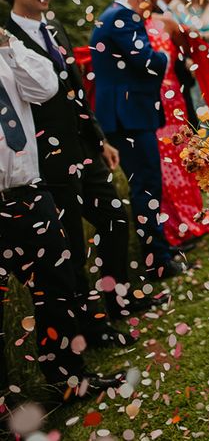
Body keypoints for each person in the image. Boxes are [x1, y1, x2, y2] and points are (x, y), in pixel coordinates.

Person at [1, 0, 164, 334]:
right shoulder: (9, 37)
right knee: (72, 243)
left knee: (113, 218)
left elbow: (74, 89)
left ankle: (121, 297)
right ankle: (92, 327)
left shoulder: (54, 26)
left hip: (83, 147)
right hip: (48, 158)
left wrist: (99, 139)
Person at [0, 24, 125, 399]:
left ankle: (69, 379)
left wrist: (8, 44)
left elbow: (46, 85)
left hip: (29, 194)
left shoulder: (7, 57)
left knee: (58, 289)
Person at [90, 0, 184, 280]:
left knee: (145, 184)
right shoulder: (122, 17)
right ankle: (158, 260)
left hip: (127, 114)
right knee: (146, 185)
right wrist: (165, 57)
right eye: (150, 2)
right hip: (127, 116)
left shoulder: (112, 15)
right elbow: (146, 61)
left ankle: (160, 252)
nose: (150, 10)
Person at [145, 0, 209, 247]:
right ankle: (175, 226)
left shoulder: (166, 22)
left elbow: (187, 50)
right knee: (165, 165)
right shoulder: (130, 32)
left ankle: (194, 215)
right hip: (154, 103)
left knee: (185, 157)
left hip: (175, 99)